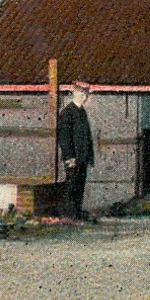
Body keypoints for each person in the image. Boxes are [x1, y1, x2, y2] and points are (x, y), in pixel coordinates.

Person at [57, 82, 96, 220]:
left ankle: (77, 215)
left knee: (80, 186)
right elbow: (64, 137)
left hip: (82, 158)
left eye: (85, 94)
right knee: (72, 186)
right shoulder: (67, 113)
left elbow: (86, 137)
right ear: (75, 94)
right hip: (73, 159)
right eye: (81, 94)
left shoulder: (82, 112)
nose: (84, 97)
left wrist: (89, 157)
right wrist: (69, 157)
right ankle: (71, 216)